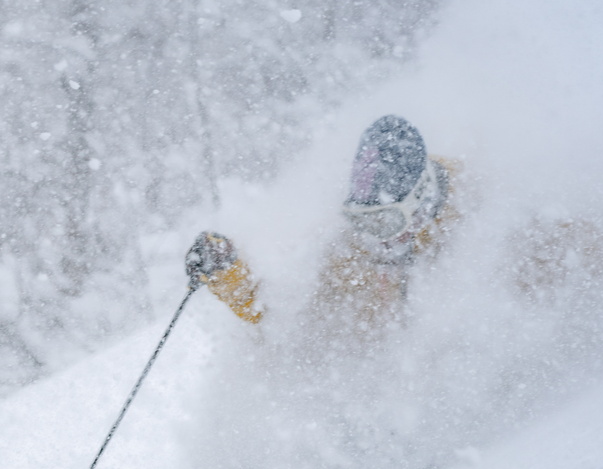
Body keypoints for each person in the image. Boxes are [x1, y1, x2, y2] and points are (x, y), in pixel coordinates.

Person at [187, 115, 459, 343]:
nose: (378, 237)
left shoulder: (470, 207)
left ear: (421, 201)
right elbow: (269, 308)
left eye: (388, 222)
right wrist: (228, 273)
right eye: (363, 221)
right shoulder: (341, 242)